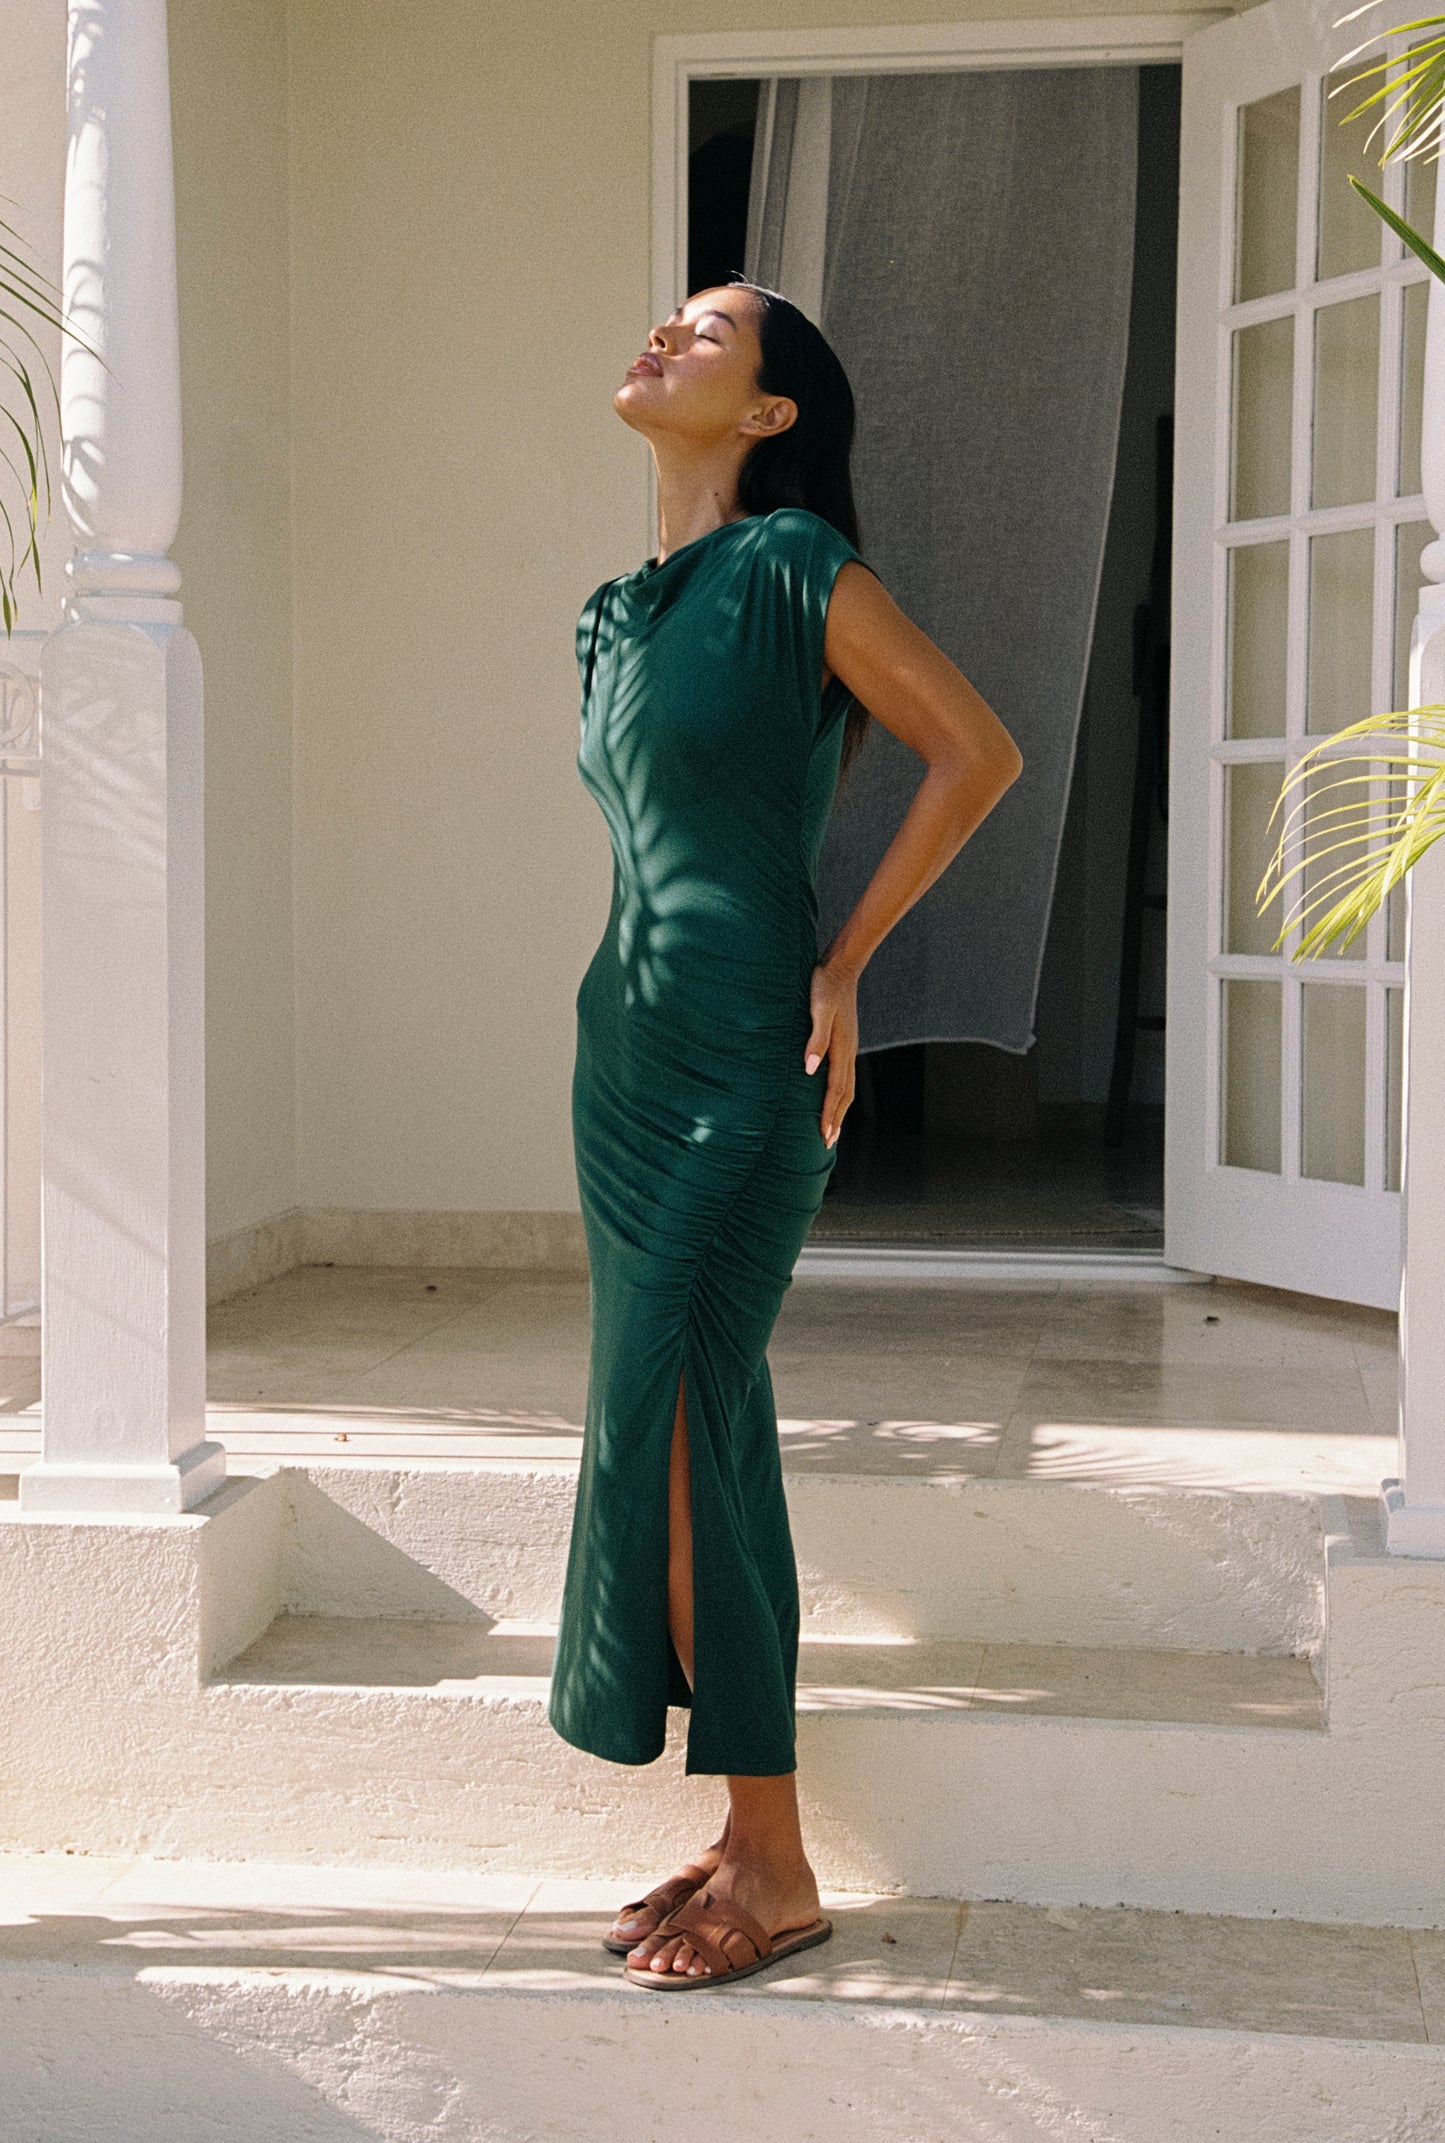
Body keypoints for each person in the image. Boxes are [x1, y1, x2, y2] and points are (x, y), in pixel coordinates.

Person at [547, 277, 1022, 1990]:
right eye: (668, 317)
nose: (664, 335)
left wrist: (844, 963)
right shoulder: (613, 613)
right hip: (623, 1046)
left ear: (768, 415)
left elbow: (974, 752)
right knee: (676, 1433)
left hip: (744, 1048)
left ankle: (778, 1854)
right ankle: (749, 1836)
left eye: (710, 332)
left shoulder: (794, 566)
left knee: (680, 1427)